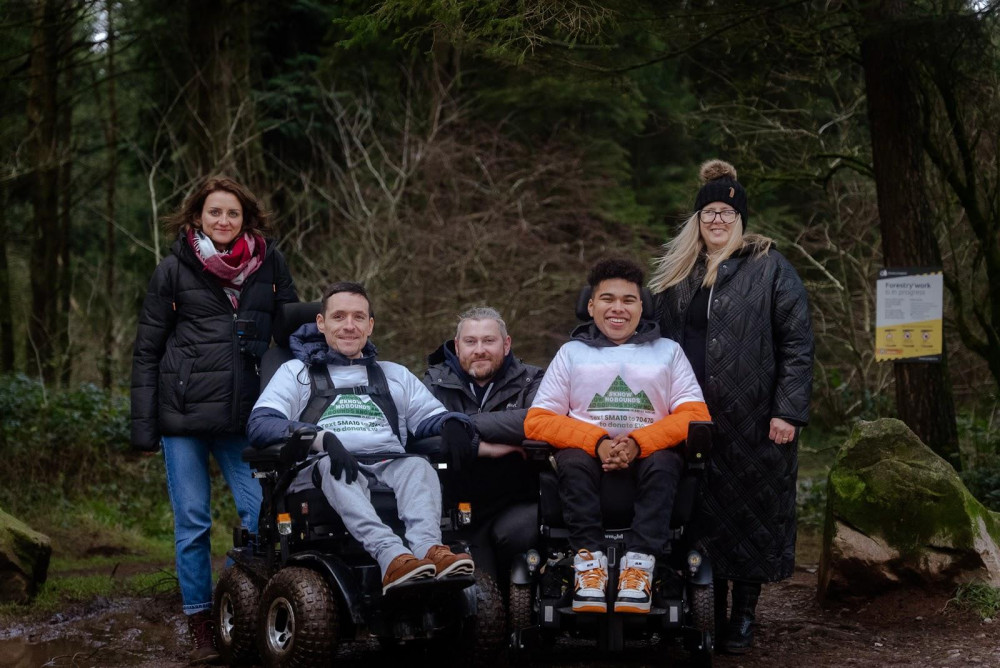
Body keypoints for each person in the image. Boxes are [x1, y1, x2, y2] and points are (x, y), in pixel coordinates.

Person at [130, 175, 298, 665]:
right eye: (214, 213)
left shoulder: (270, 264)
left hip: (245, 415)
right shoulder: (173, 270)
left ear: (246, 219)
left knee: (260, 516)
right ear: (196, 218)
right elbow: (147, 351)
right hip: (181, 417)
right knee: (193, 524)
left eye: (232, 214)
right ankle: (202, 624)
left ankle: (239, 606)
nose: (223, 221)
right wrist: (144, 426)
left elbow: (291, 334)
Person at [650, 159, 814, 653]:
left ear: (740, 218)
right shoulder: (679, 275)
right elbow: (655, 343)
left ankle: (742, 615)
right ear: (697, 220)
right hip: (690, 416)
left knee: (751, 515)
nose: (717, 220)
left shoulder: (771, 269)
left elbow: (798, 345)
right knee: (698, 514)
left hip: (755, 418)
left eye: (727, 212)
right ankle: (707, 611)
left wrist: (788, 411)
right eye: (709, 212)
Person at [247, 281, 477, 595]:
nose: (349, 326)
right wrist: (322, 439)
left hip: (388, 462)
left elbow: (431, 417)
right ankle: (392, 556)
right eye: (339, 317)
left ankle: (428, 550)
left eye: (358, 318)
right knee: (335, 468)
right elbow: (261, 424)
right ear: (321, 323)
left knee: (419, 467)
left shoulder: (393, 374)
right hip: (324, 467)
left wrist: (452, 424)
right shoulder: (296, 372)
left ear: (370, 326)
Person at [524, 258, 711, 614]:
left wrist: (639, 443)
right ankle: (588, 568)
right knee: (573, 459)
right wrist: (598, 442)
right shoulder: (571, 354)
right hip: (585, 466)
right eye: (608, 299)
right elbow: (539, 421)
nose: (618, 308)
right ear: (591, 306)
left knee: (665, 460)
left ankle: (638, 570)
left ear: (642, 305)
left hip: (651, 465)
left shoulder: (668, 352)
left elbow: (695, 415)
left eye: (628, 300)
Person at [424, 306, 544, 589]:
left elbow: (536, 421)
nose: (480, 350)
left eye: (488, 341)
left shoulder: (533, 380)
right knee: (477, 595)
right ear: (457, 346)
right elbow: (421, 432)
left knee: (518, 542)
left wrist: (460, 424)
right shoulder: (433, 383)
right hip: (455, 507)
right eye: (471, 342)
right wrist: (484, 446)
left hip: (517, 501)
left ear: (506, 344)